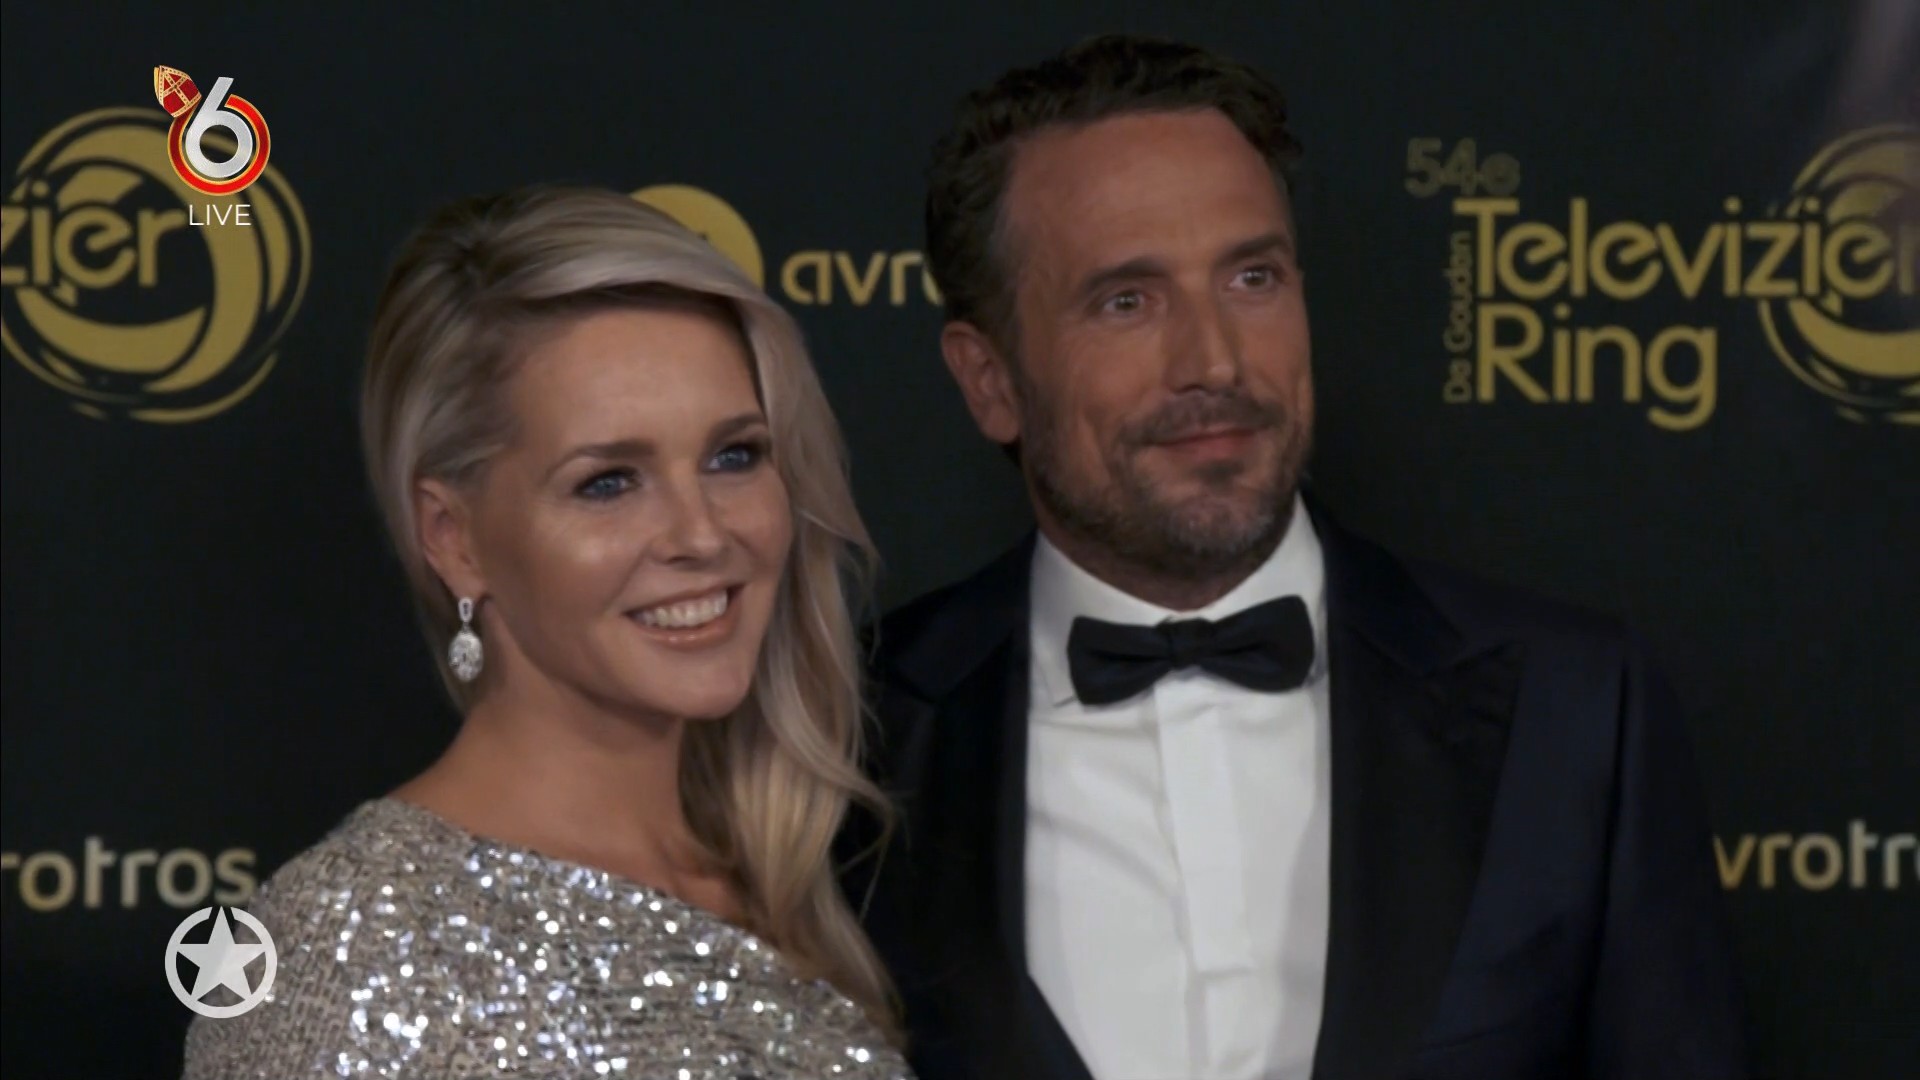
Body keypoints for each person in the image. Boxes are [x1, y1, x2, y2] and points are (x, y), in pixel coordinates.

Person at [840, 35, 1748, 1080]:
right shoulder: (843, 740)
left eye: (1252, 277)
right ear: (990, 380)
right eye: (1126, 301)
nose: (1216, 361)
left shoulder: (1578, 709)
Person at [183, 187, 912, 1080]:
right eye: (608, 482)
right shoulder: (332, 952)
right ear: (454, 538)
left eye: (735, 456)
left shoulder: (803, 882)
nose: (702, 535)